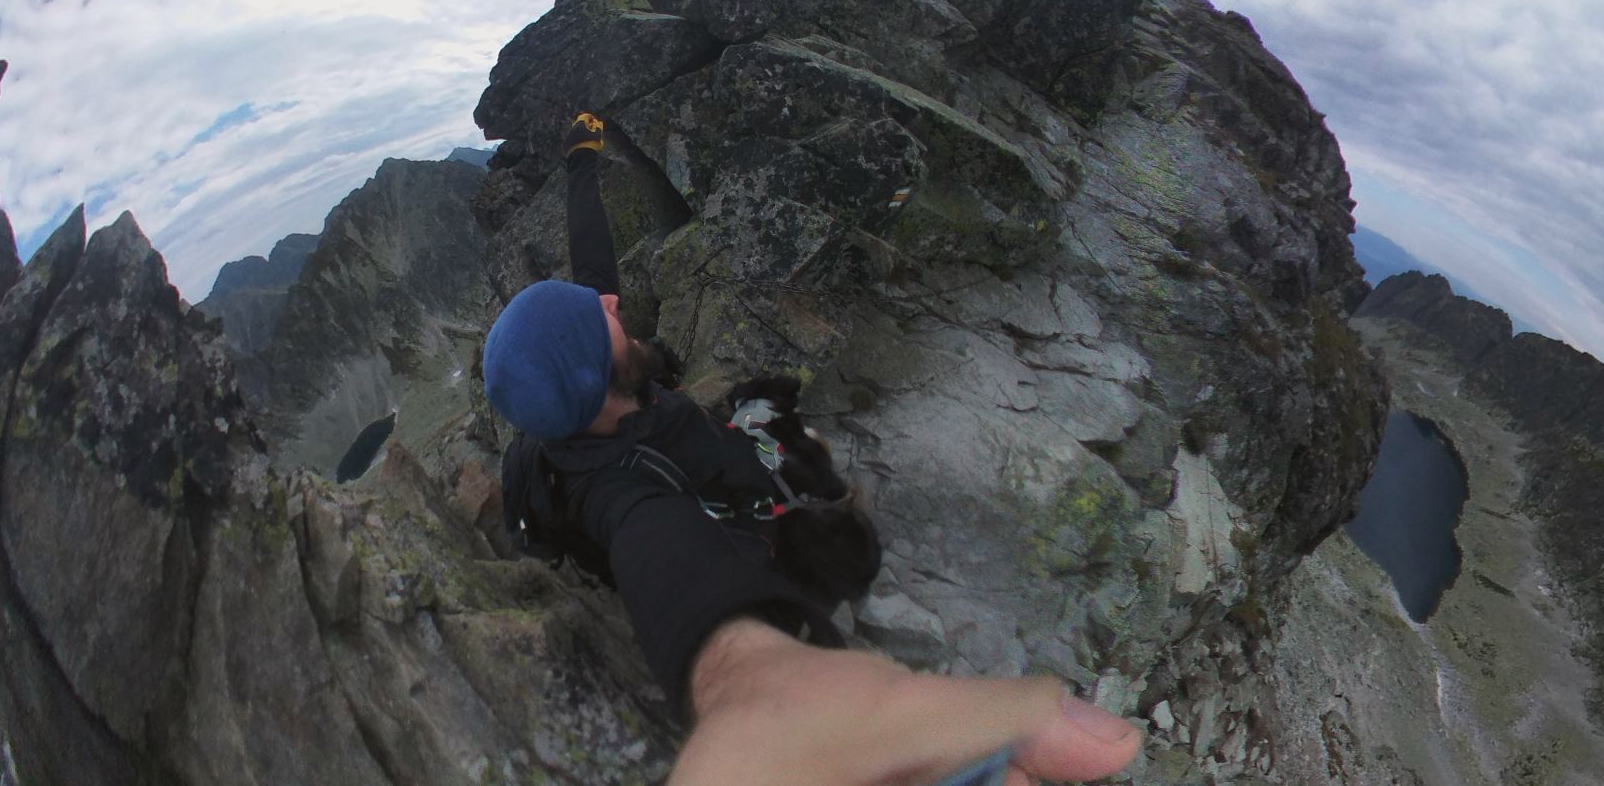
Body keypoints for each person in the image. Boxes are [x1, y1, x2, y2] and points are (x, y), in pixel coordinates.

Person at [481, 114, 1140, 783]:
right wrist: (757, 687)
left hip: (710, 460)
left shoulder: (588, 394)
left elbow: (593, 266)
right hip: (732, 517)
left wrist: (581, 159)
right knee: (820, 500)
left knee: (766, 411)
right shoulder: (619, 493)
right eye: (598, 317)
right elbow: (664, 559)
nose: (609, 303)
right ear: (595, 375)